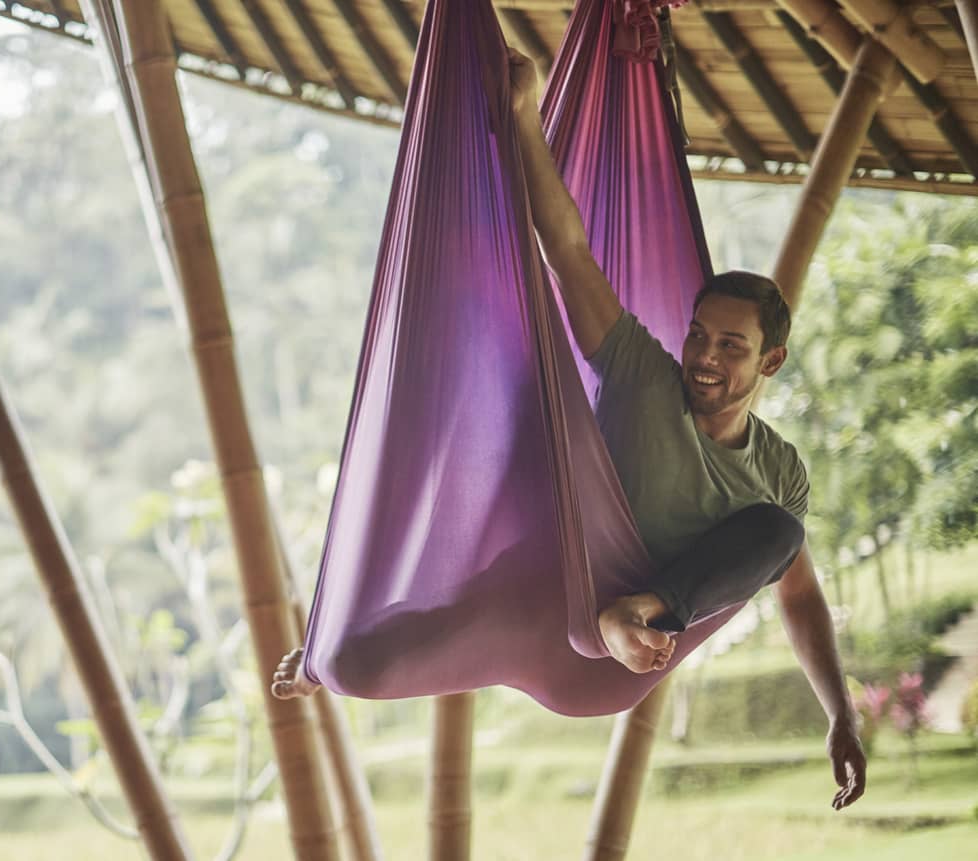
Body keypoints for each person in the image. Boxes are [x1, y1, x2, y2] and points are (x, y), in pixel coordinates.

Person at [271, 47, 866, 811]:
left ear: (772, 360)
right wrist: (523, 117)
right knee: (354, 664)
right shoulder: (644, 373)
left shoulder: (778, 468)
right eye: (699, 335)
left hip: (620, 654)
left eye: (732, 346)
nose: (706, 358)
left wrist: (840, 712)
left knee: (779, 528)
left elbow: (799, 595)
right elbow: (570, 251)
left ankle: (638, 607)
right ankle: (330, 654)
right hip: (535, 602)